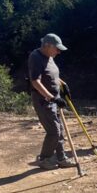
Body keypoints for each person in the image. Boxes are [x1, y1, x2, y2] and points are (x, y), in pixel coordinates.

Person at [28, 33, 76, 170]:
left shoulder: (50, 56)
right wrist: (52, 98)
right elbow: (35, 81)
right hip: (43, 100)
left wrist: (63, 84)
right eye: (57, 48)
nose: (59, 52)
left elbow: (51, 75)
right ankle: (44, 159)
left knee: (60, 130)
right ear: (47, 45)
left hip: (54, 98)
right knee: (54, 131)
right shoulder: (36, 57)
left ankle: (61, 158)